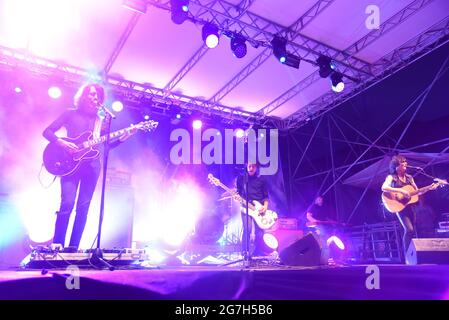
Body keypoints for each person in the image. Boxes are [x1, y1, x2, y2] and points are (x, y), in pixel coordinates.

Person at [43, 83, 135, 249]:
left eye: (98, 96)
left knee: (83, 209)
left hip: (91, 168)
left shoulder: (101, 121)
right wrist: (62, 143)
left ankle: (73, 248)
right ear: (83, 96)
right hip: (69, 165)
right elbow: (47, 132)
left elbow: (106, 146)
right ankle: (57, 246)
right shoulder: (70, 114)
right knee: (67, 204)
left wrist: (123, 138)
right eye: (92, 94)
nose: (95, 98)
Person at [381, 155, 437, 259]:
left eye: (405, 163)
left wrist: (429, 188)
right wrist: (401, 190)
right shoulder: (391, 177)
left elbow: (417, 192)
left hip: (410, 207)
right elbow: (384, 187)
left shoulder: (409, 178)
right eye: (403, 163)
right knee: (409, 229)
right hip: (399, 207)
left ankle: (414, 255)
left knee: (413, 231)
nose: (405, 164)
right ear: (396, 167)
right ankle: (407, 256)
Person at [236, 162, 270, 257]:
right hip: (245, 207)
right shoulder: (241, 179)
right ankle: (245, 252)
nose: (251, 168)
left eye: (253, 166)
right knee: (247, 229)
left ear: (257, 168)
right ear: (246, 167)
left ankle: (258, 251)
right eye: (249, 166)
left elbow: (266, 196)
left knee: (259, 231)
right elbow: (238, 193)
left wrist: (265, 206)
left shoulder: (261, 179)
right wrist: (237, 197)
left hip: (259, 209)